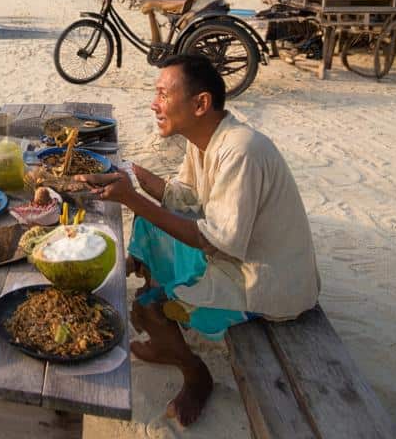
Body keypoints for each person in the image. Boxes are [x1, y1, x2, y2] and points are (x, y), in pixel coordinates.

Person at [78, 55, 319, 427]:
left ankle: (196, 374)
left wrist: (130, 197)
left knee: (149, 308)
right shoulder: (205, 138)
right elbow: (184, 198)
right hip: (237, 255)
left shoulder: (241, 150)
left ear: (201, 103)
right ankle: (164, 335)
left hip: (266, 283)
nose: (154, 104)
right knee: (147, 223)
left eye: (162, 94)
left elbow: (219, 242)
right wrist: (130, 174)